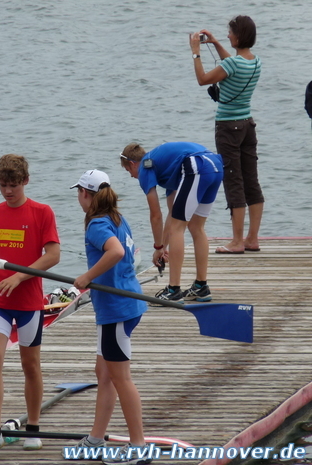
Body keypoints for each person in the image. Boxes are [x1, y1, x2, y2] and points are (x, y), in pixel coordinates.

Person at [0, 154, 60, 458]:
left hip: (29, 301)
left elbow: (53, 255)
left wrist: (19, 277)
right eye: (3, 185)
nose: (8, 191)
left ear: (25, 182)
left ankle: (32, 428)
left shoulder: (41, 212)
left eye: (13, 186)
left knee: (30, 365)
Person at [65, 170, 150, 465]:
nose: (78, 197)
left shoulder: (98, 224)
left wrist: (87, 276)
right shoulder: (116, 217)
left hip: (116, 311)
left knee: (120, 378)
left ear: (86, 195)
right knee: (103, 374)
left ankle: (138, 447)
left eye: (79, 192)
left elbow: (114, 251)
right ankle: (96, 440)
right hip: (127, 305)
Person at [190, 15, 264, 254]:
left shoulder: (232, 65)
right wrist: (214, 42)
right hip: (247, 125)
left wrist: (196, 52)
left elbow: (203, 80)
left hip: (228, 128)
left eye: (230, 33)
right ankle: (252, 238)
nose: (228, 36)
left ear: (239, 36)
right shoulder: (255, 63)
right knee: (251, 180)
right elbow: (233, 62)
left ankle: (236, 242)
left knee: (233, 181)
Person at [119, 142, 223, 303]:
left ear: (133, 164)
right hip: (215, 166)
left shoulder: (145, 168)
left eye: (128, 170)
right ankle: (201, 287)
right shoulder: (168, 170)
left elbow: (156, 215)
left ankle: (174, 289)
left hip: (196, 166)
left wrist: (157, 247)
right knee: (196, 227)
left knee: (178, 229)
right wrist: (163, 247)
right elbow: (172, 214)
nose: (132, 175)